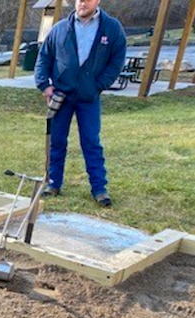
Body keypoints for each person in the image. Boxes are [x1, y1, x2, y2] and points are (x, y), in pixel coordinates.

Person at [34, 0, 126, 207]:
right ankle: (53, 183)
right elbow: (44, 58)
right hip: (61, 95)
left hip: (88, 97)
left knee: (91, 142)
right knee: (57, 141)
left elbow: (117, 60)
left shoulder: (111, 28)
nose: (82, 2)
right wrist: (44, 85)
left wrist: (98, 85)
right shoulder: (60, 29)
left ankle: (99, 189)